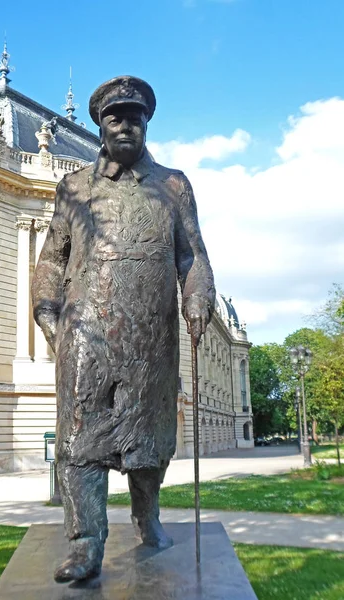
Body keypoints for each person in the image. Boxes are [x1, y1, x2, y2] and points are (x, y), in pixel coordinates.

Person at [32, 75, 215, 583]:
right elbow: (52, 256)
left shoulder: (173, 185)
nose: (127, 126)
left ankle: (146, 516)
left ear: (147, 123)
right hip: (86, 334)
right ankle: (86, 542)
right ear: (101, 126)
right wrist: (46, 309)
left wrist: (198, 295)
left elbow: (192, 255)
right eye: (116, 117)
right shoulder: (74, 188)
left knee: (150, 438)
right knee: (80, 439)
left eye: (135, 117)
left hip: (152, 337)